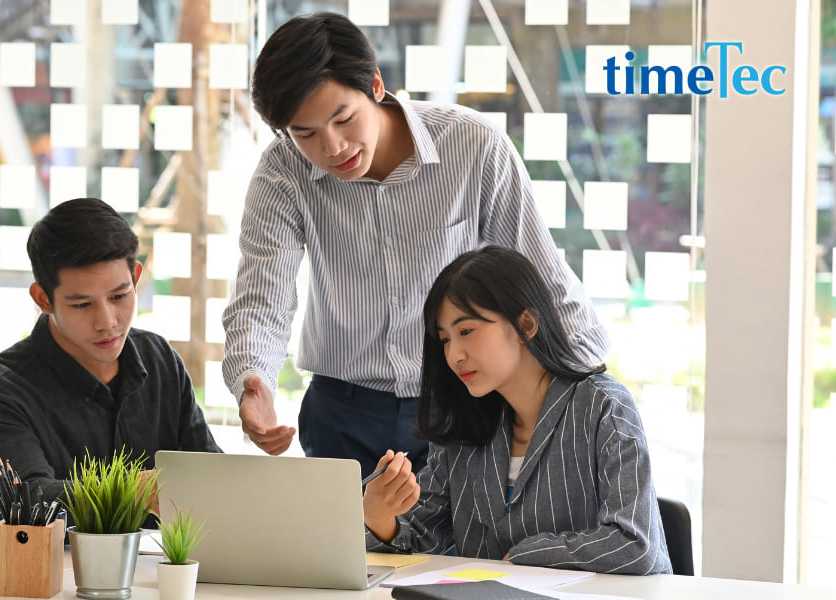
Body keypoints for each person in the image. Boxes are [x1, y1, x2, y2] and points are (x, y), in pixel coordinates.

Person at [222, 12, 608, 476]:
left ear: (376, 87)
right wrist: (253, 380)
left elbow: (540, 279)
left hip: (461, 400)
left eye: (343, 118)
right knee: (347, 548)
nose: (333, 147)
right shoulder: (283, 170)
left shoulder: (473, 145)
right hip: (342, 412)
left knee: (462, 548)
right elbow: (263, 295)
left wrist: (593, 392)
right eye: (305, 134)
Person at [361, 246, 671, 574]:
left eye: (466, 331)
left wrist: (529, 553)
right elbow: (421, 539)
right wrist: (379, 517)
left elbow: (636, 545)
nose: (454, 356)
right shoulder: (462, 425)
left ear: (525, 324)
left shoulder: (603, 407)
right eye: (445, 340)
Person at [0, 198, 221, 520]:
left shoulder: (160, 360)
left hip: (164, 569)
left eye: (119, 296)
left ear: (136, 277)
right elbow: (25, 501)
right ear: (43, 299)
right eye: (83, 305)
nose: (107, 321)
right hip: (51, 569)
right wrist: (130, 490)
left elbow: (212, 476)